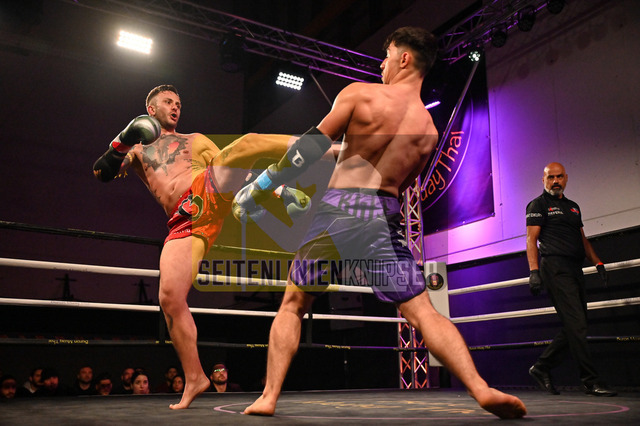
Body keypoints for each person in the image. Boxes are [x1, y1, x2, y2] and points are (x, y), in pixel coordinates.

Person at [239, 27, 526, 419]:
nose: (381, 64)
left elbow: (310, 146)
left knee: (293, 305)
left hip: (338, 207)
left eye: (387, 55)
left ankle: (268, 397)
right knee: (423, 312)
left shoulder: (360, 94)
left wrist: (267, 183)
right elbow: (402, 188)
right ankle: (481, 388)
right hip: (383, 213)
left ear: (404, 58)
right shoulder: (429, 131)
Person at [93, 85, 305, 409]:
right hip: (183, 219)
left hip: (204, 189)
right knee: (169, 298)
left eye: (178, 103)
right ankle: (195, 377)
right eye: (168, 102)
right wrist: (123, 138)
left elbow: (238, 169)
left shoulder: (195, 140)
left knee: (245, 145)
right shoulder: (135, 150)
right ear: (151, 110)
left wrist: (281, 192)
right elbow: (101, 172)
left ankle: (317, 148)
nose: (175, 107)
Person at [526, 162, 616, 397]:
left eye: (559, 177)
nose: (555, 181)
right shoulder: (538, 205)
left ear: (566, 178)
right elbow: (531, 239)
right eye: (550, 178)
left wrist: (597, 262)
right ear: (543, 180)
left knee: (577, 325)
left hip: (575, 268)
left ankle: (541, 367)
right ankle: (590, 381)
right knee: (577, 325)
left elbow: (582, 239)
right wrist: (534, 271)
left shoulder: (573, 207)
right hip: (555, 268)